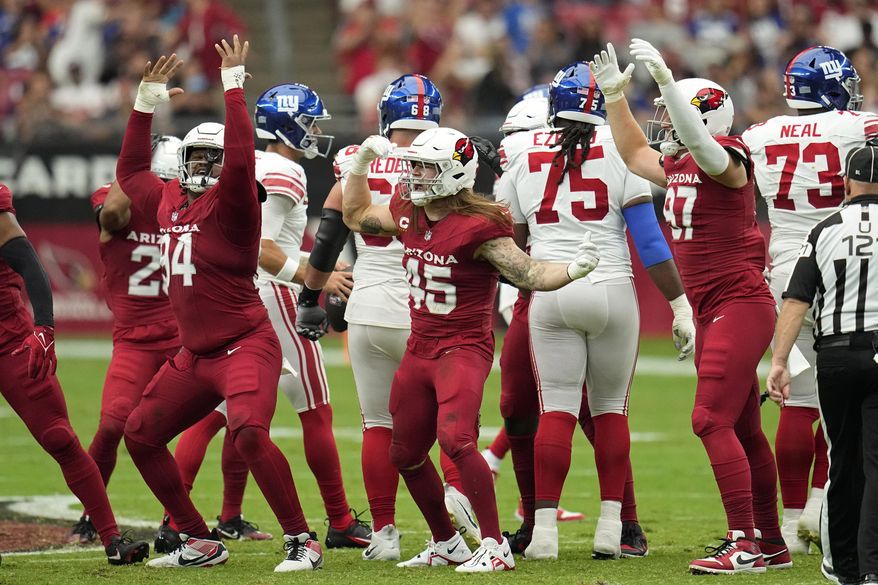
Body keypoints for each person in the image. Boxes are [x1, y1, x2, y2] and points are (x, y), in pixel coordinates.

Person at [340, 127, 601, 572]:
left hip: (462, 347)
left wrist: (572, 270)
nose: (415, 176)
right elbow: (356, 214)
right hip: (419, 346)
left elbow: (529, 273)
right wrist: (361, 164)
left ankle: (495, 546)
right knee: (403, 454)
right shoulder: (409, 209)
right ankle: (447, 542)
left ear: (455, 172)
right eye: (415, 166)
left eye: (426, 167)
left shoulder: (480, 225)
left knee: (456, 440)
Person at [116, 37, 322, 572]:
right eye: (198, 157)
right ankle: (197, 539)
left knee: (249, 433)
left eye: (216, 156)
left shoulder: (234, 205)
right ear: (182, 162)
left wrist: (233, 86)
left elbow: (239, 162)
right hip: (195, 355)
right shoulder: (167, 200)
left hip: (245, 345)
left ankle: (302, 540)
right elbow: (130, 173)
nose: (209, 165)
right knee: (139, 434)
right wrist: (144, 104)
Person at [590, 40, 785, 574]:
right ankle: (770, 542)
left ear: (698, 117)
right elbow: (633, 154)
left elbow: (705, 148)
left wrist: (672, 84)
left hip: (739, 303)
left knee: (707, 419)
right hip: (712, 306)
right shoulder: (678, 165)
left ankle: (744, 540)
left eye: (670, 113)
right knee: (744, 430)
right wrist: (614, 98)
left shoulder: (729, 158)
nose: (663, 124)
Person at [496, 61, 694, 560]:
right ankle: (612, 528)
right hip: (610, 289)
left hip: (550, 289)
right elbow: (649, 241)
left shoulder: (521, 151)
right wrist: (679, 305)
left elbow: (510, 246)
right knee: (610, 411)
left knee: (556, 410)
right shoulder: (619, 150)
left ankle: (543, 533)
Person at [296, 74, 483, 559]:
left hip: (367, 307)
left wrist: (309, 298)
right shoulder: (445, 157)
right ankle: (458, 496)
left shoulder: (357, 157)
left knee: (377, 424)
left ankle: (383, 534)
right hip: (425, 308)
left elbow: (329, 237)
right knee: (450, 419)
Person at [742, 45, 878, 553]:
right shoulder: (858, 125)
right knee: (842, 394)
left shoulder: (759, 133)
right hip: (847, 258)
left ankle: (793, 518)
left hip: (785, 269)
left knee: (797, 403)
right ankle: (823, 507)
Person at [0, 183, 149, 566]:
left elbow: (26, 259)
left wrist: (44, 326)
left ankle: (111, 538)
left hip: (10, 341)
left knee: (59, 438)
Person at [767, 143, 878, 585]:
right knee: (876, 463)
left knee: (843, 461)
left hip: (836, 355)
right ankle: (872, 568)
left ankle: (843, 565)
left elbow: (796, 300)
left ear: (847, 183)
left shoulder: (824, 228)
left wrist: (779, 361)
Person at [69, 135, 184, 545]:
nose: (171, 189)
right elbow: (114, 214)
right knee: (113, 424)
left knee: (220, 422)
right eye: (163, 179)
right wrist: (132, 169)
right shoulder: (116, 199)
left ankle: (184, 523)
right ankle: (92, 512)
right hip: (135, 340)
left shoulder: (187, 204)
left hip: (183, 337)